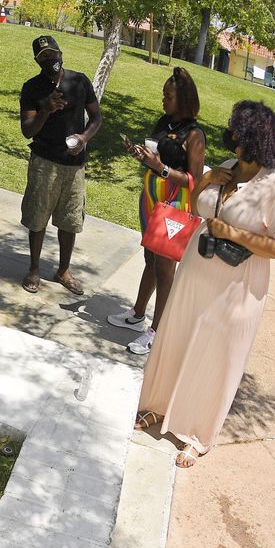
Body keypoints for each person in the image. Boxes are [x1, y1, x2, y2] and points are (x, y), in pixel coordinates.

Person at [134, 101, 275, 468]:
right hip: (196, 268)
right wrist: (206, 181)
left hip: (236, 284)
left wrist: (234, 233)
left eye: (236, 130)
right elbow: (197, 206)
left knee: (215, 354)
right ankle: (158, 407)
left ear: (252, 137)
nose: (230, 135)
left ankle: (196, 432)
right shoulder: (225, 168)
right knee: (177, 335)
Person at [108, 68, 206, 356]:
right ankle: (138, 314)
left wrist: (160, 168)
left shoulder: (195, 135)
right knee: (150, 257)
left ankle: (157, 332)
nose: (163, 100)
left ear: (183, 99)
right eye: (164, 95)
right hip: (151, 200)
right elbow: (158, 157)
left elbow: (195, 180)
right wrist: (144, 156)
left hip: (174, 206)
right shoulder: (165, 122)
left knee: (165, 269)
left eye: (169, 96)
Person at [18, 35, 103, 295]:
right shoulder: (32, 88)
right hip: (44, 161)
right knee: (38, 216)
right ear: (37, 61)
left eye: (52, 54)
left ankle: (63, 269)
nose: (50, 60)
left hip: (74, 164)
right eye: (43, 57)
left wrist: (84, 137)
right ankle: (34, 269)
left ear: (61, 54)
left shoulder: (79, 81)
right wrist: (45, 110)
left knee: (70, 219)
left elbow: (97, 117)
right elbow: (27, 131)